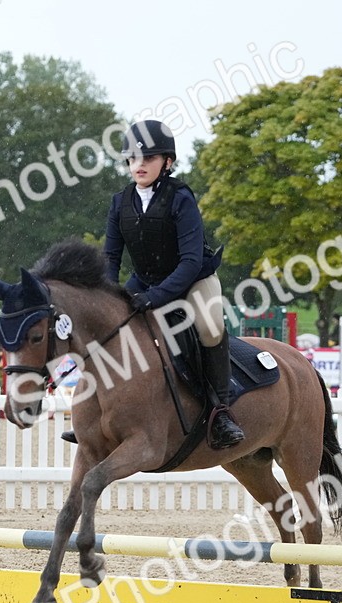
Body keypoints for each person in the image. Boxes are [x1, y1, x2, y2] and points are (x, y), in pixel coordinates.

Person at [100, 119, 243, 449]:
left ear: (167, 162)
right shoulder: (119, 203)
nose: (139, 165)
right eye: (134, 159)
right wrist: (108, 297)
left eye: (148, 159)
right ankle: (98, 412)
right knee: (111, 329)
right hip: (145, 280)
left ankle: (220, 411)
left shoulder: (180, 198)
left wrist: (154, 297)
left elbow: (190, 261)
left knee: (209, 327)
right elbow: (110, 258)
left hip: (194, 279)